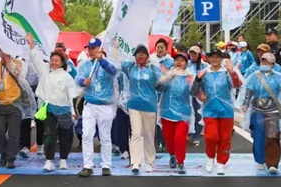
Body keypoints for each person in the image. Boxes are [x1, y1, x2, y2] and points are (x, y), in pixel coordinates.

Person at [242, 52, 281, 174]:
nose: (264, 64)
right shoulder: (254, 76)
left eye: (267, 62)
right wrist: (245, 103)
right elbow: (249, 91)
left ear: (273, 64)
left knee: (272, 137)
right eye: (262, 61)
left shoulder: (277, 77)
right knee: (258, 136)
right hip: (257, 109)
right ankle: (260, 160)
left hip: (273, 110)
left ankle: (272, 163)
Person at [26, 34, 78, 171]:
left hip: (64, 110)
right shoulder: (44, 72)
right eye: (52, 60)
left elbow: (72, 95)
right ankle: (49, 160)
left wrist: (73, 111)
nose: (53, 62)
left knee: (65, 136)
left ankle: (63, 159)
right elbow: (36, 59)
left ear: (62, 63)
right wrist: (31, 44)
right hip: (49, 109)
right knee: (49, 135)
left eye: (56, 60)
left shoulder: (67, 77)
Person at [190, 49, 242, 175]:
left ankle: (221, 163)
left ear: (221, 59)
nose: (214, 60)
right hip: (209, 110)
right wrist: (199, 86)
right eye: (212, 57)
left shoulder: (226, 73)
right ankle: (210, 158)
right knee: (211, 136)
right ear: (208, 59)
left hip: (226, 111)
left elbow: (237, 85)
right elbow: (193, 91)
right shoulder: (204, 73)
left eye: (217, 57)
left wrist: (232, 72)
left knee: (225, 138)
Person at [75, 37, 119, 177]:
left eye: (93, 48)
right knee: (87, 135)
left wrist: (102, 61)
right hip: (90, 105)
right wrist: (83, 81)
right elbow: (78, 78)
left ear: (100, 49)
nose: (90, 51)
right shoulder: (85, 65)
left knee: (105, 137)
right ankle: (87, 166)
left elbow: (114, 72)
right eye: (89, 48)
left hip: (105, 106)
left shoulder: (107, 63)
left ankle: (106, 165)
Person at [117, 44, 163, 174]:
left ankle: (149, 161)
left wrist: (171, 75)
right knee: (136, 133)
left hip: (149, 106)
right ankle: (135, 162)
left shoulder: (153, 69)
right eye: (138, 53)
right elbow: (116, 63)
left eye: (143, 53)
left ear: (147, 56)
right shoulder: (130, 67)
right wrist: (115, 48)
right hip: (134, 105)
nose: (140, 55)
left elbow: (161, 81)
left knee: (148, 134)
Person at [0, 45, 31, 169]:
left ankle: (11, 157)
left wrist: (8, 61)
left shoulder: (19, 63)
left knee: (14, 133)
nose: (4, 52)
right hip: (0, 104)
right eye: (2, 50)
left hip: (15, 103)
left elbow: (19, 74)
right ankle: (4, 152)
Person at [156, 53, 193, 174]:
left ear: (186, 63)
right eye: (177, 60)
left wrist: (195, 81)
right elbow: (158, 87)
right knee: (169, 138)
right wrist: (169, 76)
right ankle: (172, 155)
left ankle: (180, 161)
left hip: (183, 113)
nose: (179, 62)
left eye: (182, 60)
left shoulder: (189, 76)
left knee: (180, 138)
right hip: (167, 112)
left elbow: (194, 91)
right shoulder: (167, 75)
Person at [186, 46, 208, 146]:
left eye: (195, 53)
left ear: (199, 55)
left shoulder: (205, 66)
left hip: (199, 93)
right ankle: (189, 133)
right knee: (188, 114)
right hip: (187, 93)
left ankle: (196, 136)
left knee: (198, 114)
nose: (193, 55)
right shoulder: (186, 64)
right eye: (191, 53)